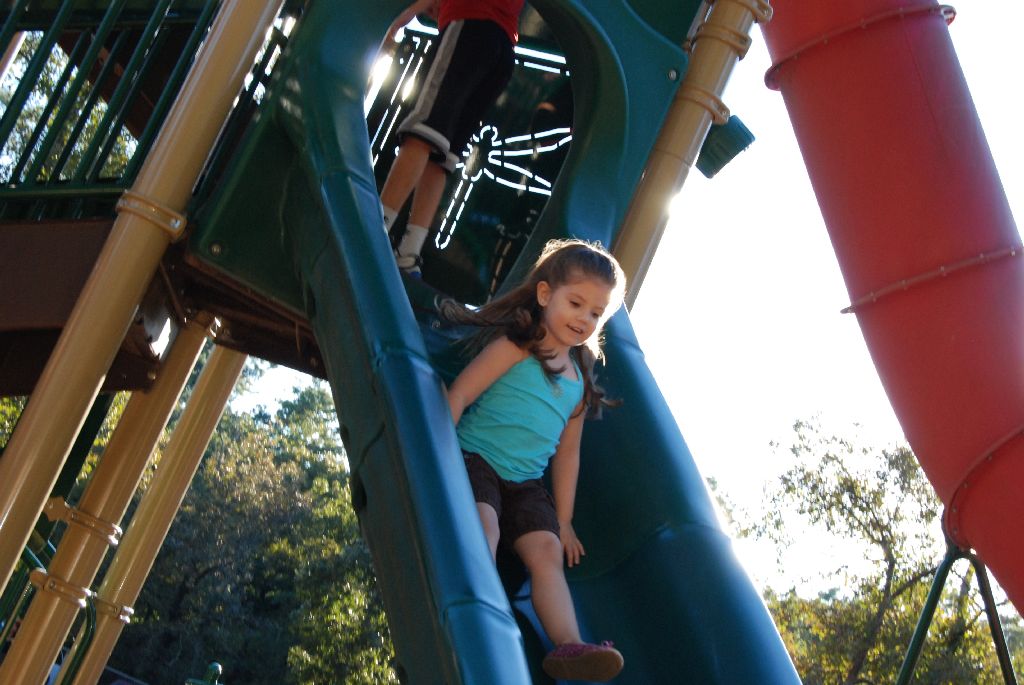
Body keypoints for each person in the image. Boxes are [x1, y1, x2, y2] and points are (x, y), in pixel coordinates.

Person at [444, 239, 626, 682]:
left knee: (546, 552)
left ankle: (569, 646)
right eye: (576, 303)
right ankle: (480, 608)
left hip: (525, 484)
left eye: (595, 313)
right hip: (476, 458)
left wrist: (563, 521)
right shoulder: (518, 347)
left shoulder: (579, 384)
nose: (584, 319)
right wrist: (437, 450)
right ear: (545, 294)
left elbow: (568, 454)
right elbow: (461, 393)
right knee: (484, 524)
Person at [380, 0, 525, 276]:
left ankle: (375, 227)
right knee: (442, 155)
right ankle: (409, 252)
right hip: (503, 49)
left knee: (422, 133)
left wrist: (403, 17)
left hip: (470, 21)